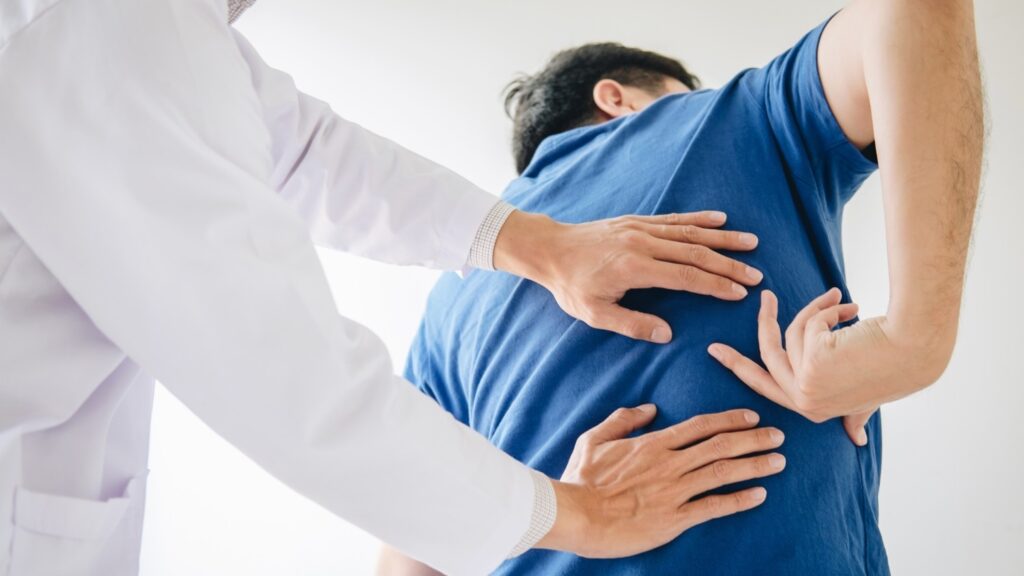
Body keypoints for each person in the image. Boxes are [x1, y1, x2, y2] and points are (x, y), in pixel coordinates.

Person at [0, 1, 793, 575]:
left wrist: (535, 245)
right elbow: (282, 373)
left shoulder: (164, 34)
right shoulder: (105, 28)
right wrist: (582, 512)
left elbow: (308, 154)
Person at [386, 0, 983, 573]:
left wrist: (557, 511)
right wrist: (915, 342)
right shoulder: (731, 117)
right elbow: (913, 9)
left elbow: (407, 554)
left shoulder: (450, 300)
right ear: (616, 98)